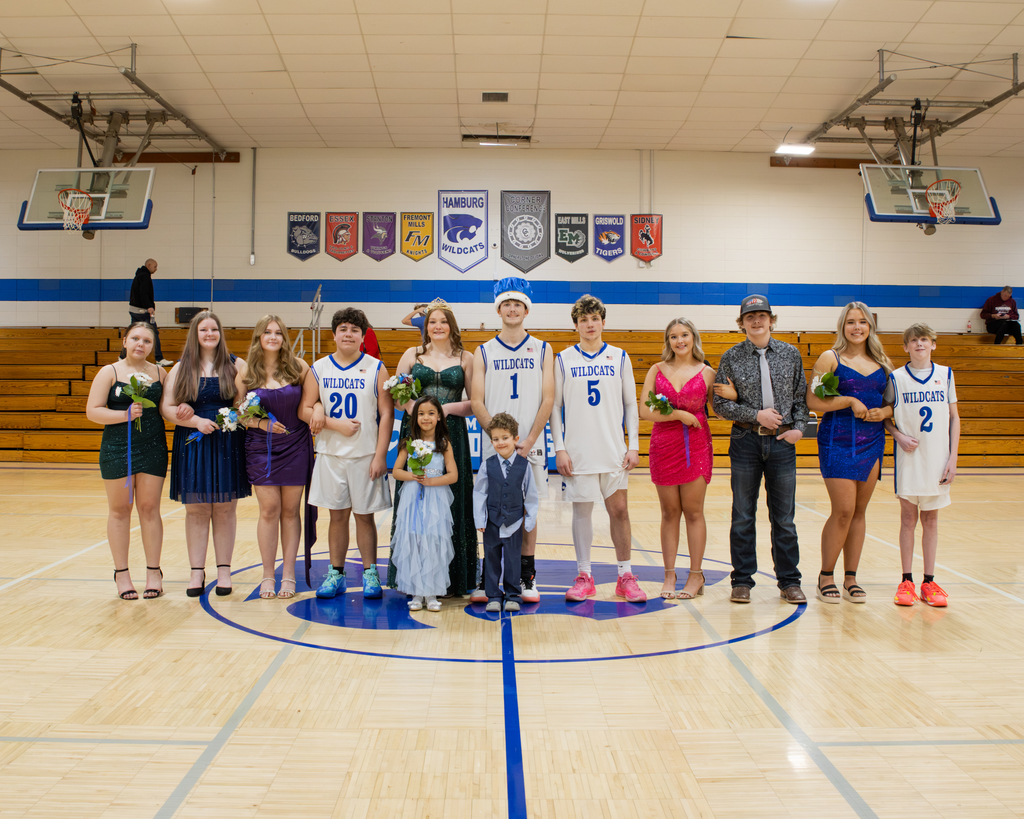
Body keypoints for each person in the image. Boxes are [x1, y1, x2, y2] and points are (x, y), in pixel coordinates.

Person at [713, 294, 809, 604]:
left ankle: (789, 580)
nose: (757, 321)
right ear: (741, 323)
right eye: (750, 317)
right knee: (742, 514)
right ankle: (742, 580)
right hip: (746, 440)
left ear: (771, 319)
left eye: (762, 316)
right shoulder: (730, 357)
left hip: (782, 442)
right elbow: (720, 403)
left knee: (784, 518)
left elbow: (800, 398)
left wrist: (798, 428)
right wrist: (756, 415)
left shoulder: (790, 354)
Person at [550, 294, 646, 603]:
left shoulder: (619, 356)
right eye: (583, 320)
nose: (590, 324)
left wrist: (634, 444)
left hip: (614, 450)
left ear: (603, 322)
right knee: (582, 511)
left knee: (619, 510)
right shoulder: (563, 359)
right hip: (578, 452)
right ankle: (584, 575)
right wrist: (560, 448)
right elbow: (554, 408)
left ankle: (625, 575)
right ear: (575, 325)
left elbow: (631, 404)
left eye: (594, 319)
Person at [470, 278, 554, 605]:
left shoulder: (544, 349)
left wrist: (527, 440)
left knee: (527, 510)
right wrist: (501, 439)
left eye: (517, 304)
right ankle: (488, 575)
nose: (512, 308)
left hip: (529, 444)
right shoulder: (484, 351)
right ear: (499, 309)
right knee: (492, 509)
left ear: (526, 309)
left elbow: (548, 399)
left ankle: (526, 575)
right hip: (497, 443)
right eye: (506, 304)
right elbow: (477, 400)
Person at [385, 298, 476, 596]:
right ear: (425, 326)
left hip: (452, 435)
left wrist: (445, 411)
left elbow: (475, 403)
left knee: (453, 499)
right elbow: (396, 395)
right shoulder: (412, 354)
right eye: (432, 322)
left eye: (443, 321)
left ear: (452, 326)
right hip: (415, 430)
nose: (437, 326)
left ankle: (454, 578)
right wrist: (421, 410)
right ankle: (413, 577)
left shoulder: (466, 358)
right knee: (414, 500)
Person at [302, 308, 393, 600]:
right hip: (330, 454)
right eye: (343, 329)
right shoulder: (319, 368)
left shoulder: (377, 368)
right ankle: (336, 573)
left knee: (364, 517)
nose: (349, 334)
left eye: (355, 330)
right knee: (337, 517)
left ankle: (370, 574)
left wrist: (381, 455)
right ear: (334, 335)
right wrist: (331, 423)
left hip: (365, 454)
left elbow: (387, 413)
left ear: (363, 335)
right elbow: (304, 408)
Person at [807, 303, 893, 603]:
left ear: (870, 326)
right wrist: (847, 401)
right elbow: (813, 401)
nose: (857, 328)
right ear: (842, 326)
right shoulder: (829, 358)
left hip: (872, 440)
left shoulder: (882, 362)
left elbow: (892, 404)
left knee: (859, 512)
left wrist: (883, 411)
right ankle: (825, 575)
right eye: (851, 323)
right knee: (842, 511)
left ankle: (851, 577)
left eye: (863, 322)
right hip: (837, 439)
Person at [162, 311, 250, 597]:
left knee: (225, 509)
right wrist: (193, 420)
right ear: (195, 334)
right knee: (196, 509)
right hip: (194, 441)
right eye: (203, 330)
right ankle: (196, 572)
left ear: (220, 333)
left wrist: (233, 415)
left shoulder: (237, 365)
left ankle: (224, 570)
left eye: (214, 329)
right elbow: (167, 407)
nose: (209, 334)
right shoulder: (180, 367)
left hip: (227, 440)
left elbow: (246, 404)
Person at [235, 315, 316, 600]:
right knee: (269, 510)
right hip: (261, 447)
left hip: (296, 444)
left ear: (284, 338)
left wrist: (316, 410)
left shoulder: (300, 368)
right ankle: (268, 574)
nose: (272, 337)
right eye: (267, 332)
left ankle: (289, 574)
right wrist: (261, 424)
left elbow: (312, 401)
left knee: (291, 512)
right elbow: (239, 413)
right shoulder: (246, 373)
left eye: (278, 332)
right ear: (259, 337)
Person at [86, 321, 168, 600]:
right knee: (120, 509)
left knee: (149, 508)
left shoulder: (160, 372)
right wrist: (124, 415)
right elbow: (93, 412)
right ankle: (122, 574)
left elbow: (166, 408)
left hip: (153, 445)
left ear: (152, 346)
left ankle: (154, 572)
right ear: (124, 341)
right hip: (118, 446)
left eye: (147, 340)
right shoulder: (109, 372)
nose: (140, 344)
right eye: (135, 338)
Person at [638, 318, 715, 600]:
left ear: (693, 337)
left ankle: (696, 575)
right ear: (667, 341)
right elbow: (645, 411)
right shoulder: (656, 370)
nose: (679, 341)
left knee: (694, 512)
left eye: (684, 335)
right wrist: (680, 415)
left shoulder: (708, 373)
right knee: (669, 512)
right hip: (663, 444)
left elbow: (719, 408)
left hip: (696, 445)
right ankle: (669, 574)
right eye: (673, 336)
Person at [885, 324, 960, 607]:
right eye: (913, 341)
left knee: (931, 520)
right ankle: (906, 581)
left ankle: (929, 582)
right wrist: (898, 435)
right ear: (905, 347)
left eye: (924, 340)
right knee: (907, 518)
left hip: (938, 459)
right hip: (909, 458)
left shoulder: (946, 374)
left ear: (933, 345)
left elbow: (954, 418)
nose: (919, 344)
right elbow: (885, 416)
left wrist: (953, 457)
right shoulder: (896, 378)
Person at [390, 396, 459, 612]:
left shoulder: (444, 444)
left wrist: (431, 481)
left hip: (435, 499)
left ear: (439, 417)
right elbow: (396, 471)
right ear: (414, 417)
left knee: (433, 542)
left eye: (431, 413)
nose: (426, 418)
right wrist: (414, 477)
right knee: (415, 541)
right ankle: (416, 592)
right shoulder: (408, 444)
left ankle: (431, 592)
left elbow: (453, 475)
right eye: (421, 413)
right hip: (413, 500)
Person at [473, 413, 540, 612]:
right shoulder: (487, 465)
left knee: (512, 560)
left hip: (514, 522)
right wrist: (480, 518)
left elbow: (531, 495)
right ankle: (493, 595)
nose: (500, 443)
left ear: (515, 439)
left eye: (505, 438)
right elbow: (479, 493)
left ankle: (512, 595)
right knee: (491, 559)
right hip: (492, 522)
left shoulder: (524, 466)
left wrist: (529, 519)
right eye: (495, 439)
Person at [120, 259, 171, 366]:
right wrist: (149, 306)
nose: (156, 269)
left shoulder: (139, 275)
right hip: (142, 311)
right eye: (155, 267)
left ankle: (122, 357)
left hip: (134, 310)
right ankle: (159, 359)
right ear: (149, 265)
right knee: (154, 333)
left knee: (132, 333)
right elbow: (144, 293)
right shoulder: (144, 276)